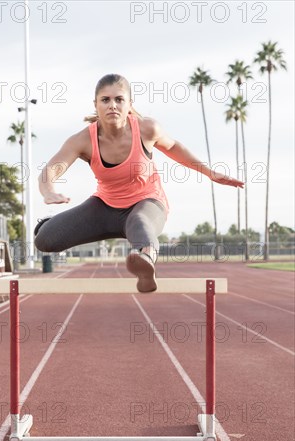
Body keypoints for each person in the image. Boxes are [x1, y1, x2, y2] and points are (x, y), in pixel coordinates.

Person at [34, 73, 244, 292]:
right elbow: (51, 170)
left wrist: (208, 172)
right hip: (105, 208)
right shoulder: (83, 140)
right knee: (45, 240)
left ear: (129, 104)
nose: (112, 105)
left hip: (147, 203)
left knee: (140, 222)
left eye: (119, 99)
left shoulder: (146, 129)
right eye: (105, 100)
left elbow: (173, 147)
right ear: (95, 105)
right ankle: (46, 224)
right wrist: (48, 191)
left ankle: (145, 262)